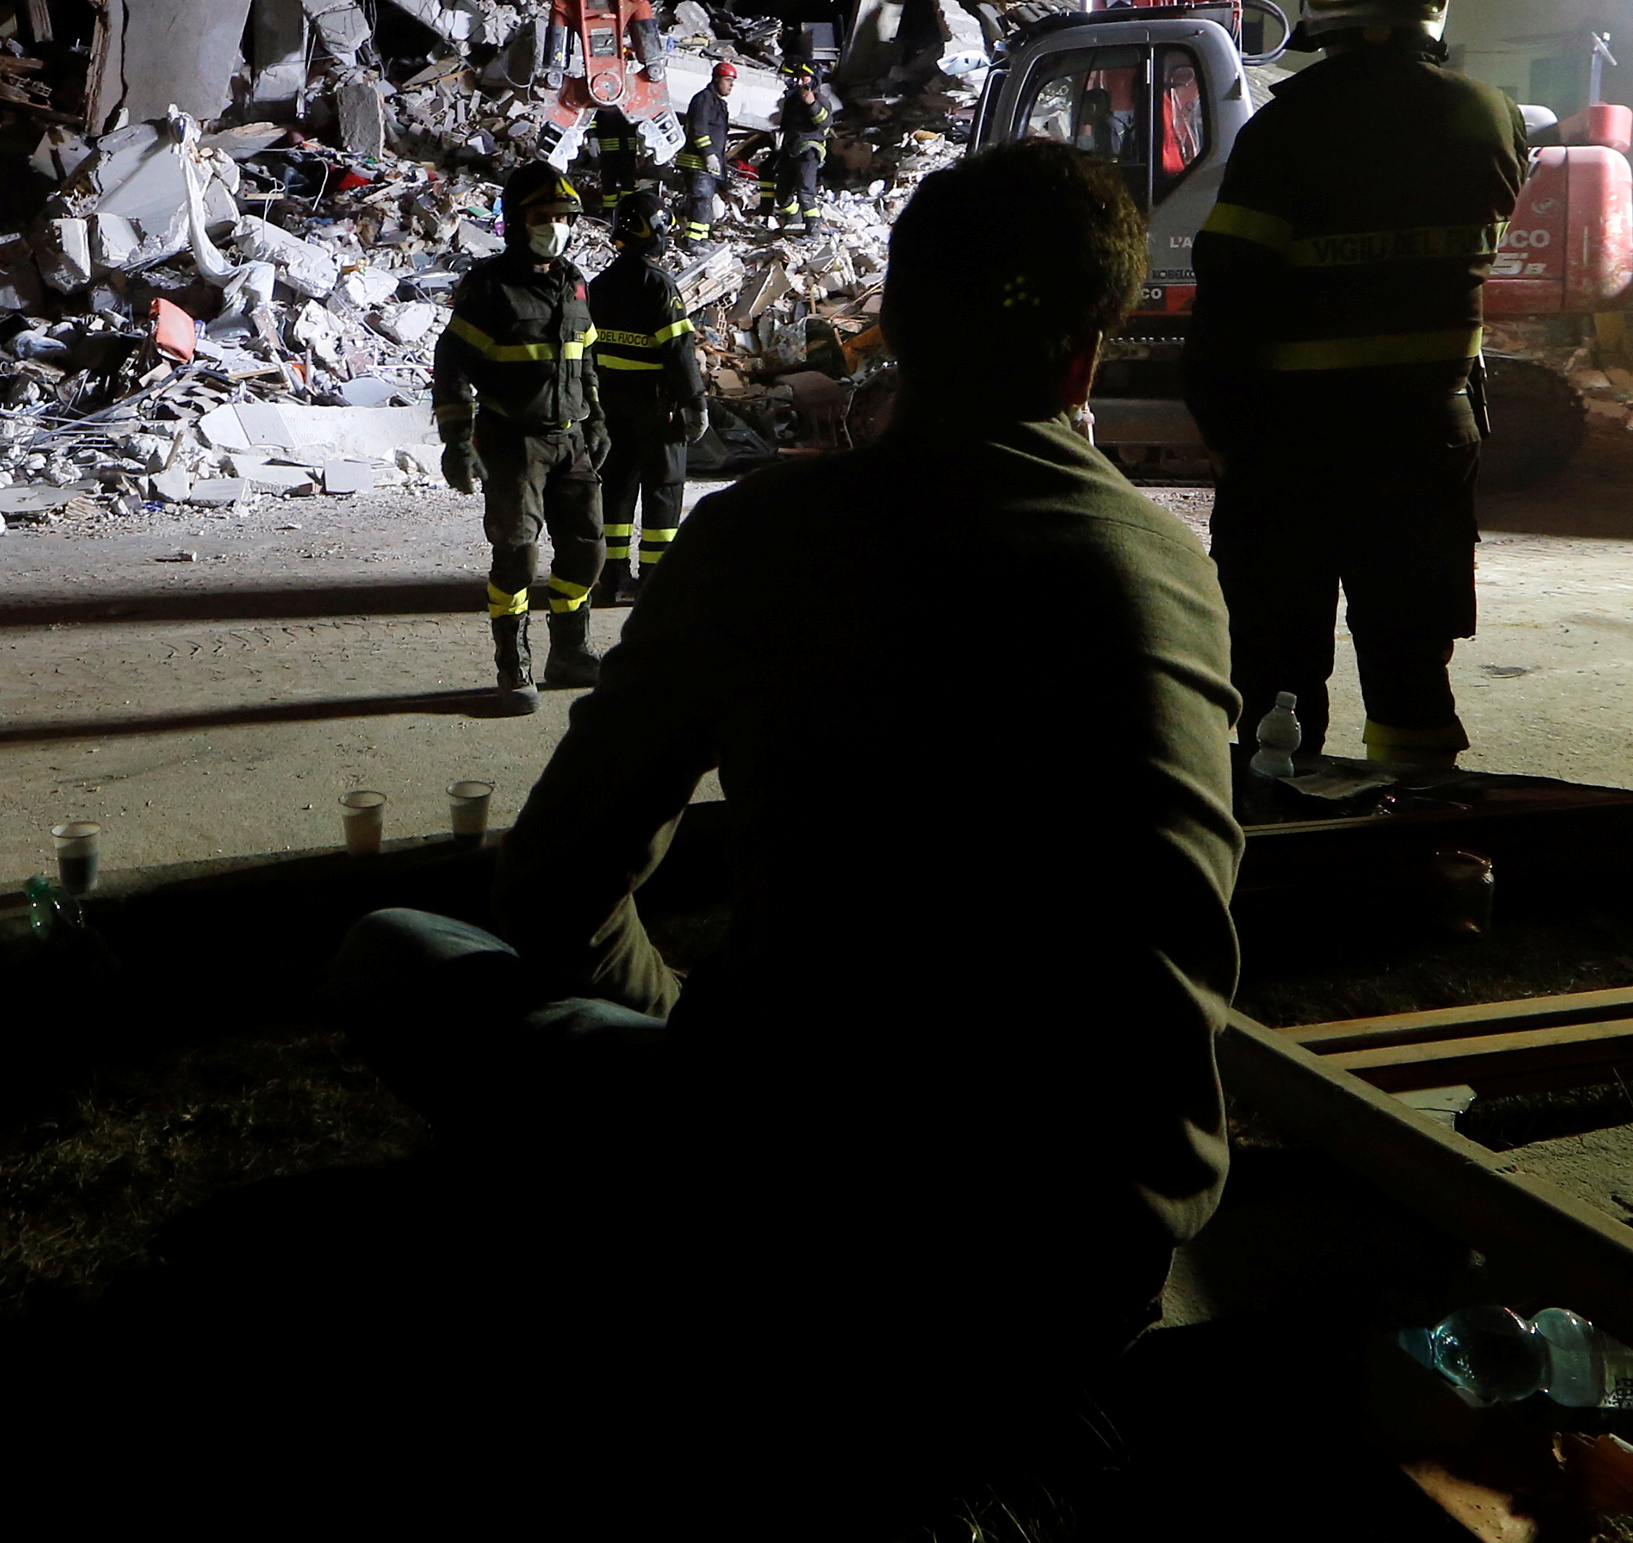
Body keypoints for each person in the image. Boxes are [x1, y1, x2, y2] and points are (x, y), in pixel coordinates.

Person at [339, 138, 1243, 1402]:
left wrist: (694, 1027)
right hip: (1099, 1247)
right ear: (1085, 357)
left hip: (808, 1217)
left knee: (394, 955)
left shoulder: (763, 538)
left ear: (890, 334)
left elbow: (553, 886)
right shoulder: (1173, 570)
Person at [1185, 0, 1527, 789]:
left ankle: (1283, 829)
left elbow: (1229, 297)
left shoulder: (1291, 124)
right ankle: (1416, 830)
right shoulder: (1490, 115)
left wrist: (1225, 433)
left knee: (1272, 676)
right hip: (1430, 437)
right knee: (1412, 668)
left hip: (1293, 450)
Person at [432, 160, 605, 711]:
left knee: (587, 552)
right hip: (513, 442)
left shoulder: (573, 283)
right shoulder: (490, 287)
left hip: (571, 441)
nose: (555, 227)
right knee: (517, 555)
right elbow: (452, 364)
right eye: (542, 217)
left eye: (563, 217)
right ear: (515, 221)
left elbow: (585, 358)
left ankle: (569, 653)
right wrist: (458, 441)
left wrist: (596, 418)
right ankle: (514, 665)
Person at [586, 188, 706, 604]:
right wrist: (696, 402)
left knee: (616, 488)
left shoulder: (599, 285)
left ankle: (614, 577)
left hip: (610, 404)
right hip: (657, 409)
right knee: (663, 489)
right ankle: (655, 578)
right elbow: (678, 351)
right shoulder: (659, 285)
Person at [761, 61, 842, 232]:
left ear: (814, 79)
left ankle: (813, 228)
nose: (798, 82)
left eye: (803, 78)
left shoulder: (821, 100)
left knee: (805, 192)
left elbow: (825, 123)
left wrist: (812, 105)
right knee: (782, 195)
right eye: (797, 78)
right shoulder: (793, 101)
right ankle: (794, 219)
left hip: (809, 151)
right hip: (790, 150)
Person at [675, 59, 737, 242]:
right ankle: (692, 241)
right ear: (716, 79)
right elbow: (698, 130)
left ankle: (701, 239)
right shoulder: (704, 100)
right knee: (701, 200)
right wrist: (709, 154)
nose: (731, 85)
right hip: (697, 161)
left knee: (706, 202)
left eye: (733, 82)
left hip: (708, 164)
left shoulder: (718, 103)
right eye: (728, 80)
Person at [577, 92, 641, 200]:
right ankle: (610, 207)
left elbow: (639, 119)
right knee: (609, 179)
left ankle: (627, 204)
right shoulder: (601, 101)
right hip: (608, 148)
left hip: (627, 147)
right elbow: (591, 120)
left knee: (627, 179)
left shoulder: (631, 100)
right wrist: (592, 137)